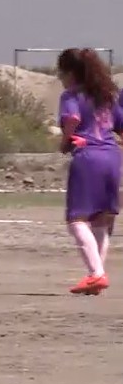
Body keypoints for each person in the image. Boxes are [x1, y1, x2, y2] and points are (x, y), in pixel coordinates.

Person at [56, 48, 123, 295]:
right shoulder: (107, 96)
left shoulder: (70, 95)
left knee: (77, 219)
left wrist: (65, 142)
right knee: (102, 219)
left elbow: (72, 119)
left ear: (72, 73)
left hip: (88, 158)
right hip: (112, 156)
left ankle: (96, 274)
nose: (60, 77)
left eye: (61, 72)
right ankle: (97, 275)